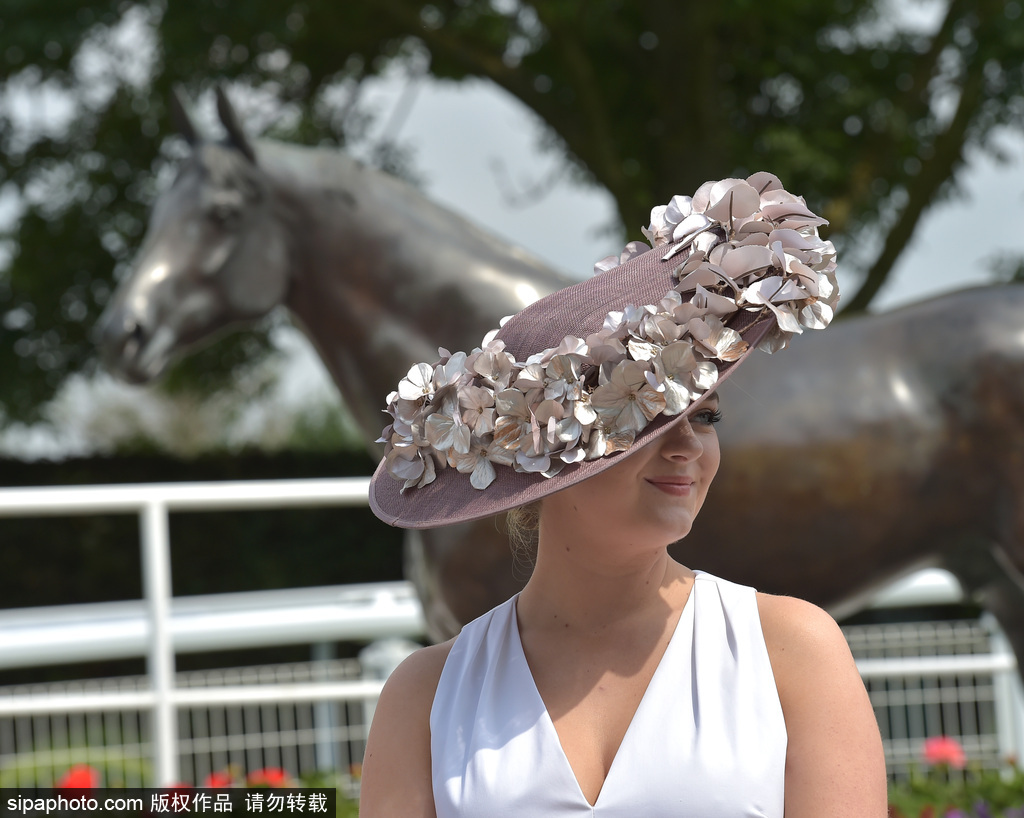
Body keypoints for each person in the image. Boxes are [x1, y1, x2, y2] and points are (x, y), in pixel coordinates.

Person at [359, 174, 888, 816]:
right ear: (545, 455)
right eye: (647, 421)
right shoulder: (425, 696)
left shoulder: (792, 651)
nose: (687, 446)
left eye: (705, 416)